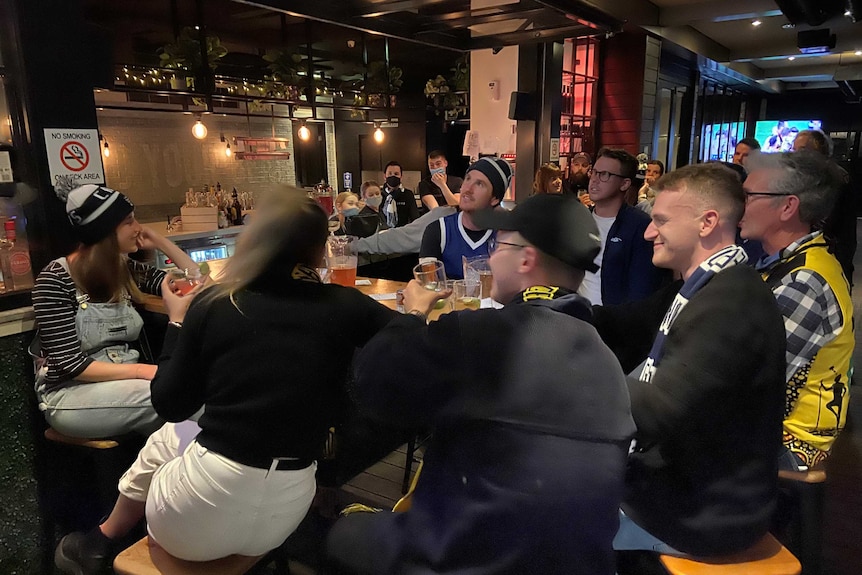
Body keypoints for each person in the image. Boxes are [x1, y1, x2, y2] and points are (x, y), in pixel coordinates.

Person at [53, 193, 397, 574]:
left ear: (251, 242)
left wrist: (177, 324)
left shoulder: (218, 304)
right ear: (319, 250)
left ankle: (103, 539)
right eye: (128, 221)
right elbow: (407, 332)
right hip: (287, 513)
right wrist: (415, 306)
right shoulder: (345, 303)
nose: (137, 228)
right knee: (185, 427)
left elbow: (168, 402)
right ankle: (109, 540)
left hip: (194, 518)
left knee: (175, 430)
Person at [326, 194, 636, 575]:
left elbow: (373, 384)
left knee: (343, 532)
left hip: (473, 558)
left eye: (498, 245)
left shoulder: (487, 334)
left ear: (526, 259)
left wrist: (412, 314)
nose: (489, 257)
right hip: (583, 562)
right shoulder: (605, 357)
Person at [592, 162, 786, 557]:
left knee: (543, 517)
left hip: (708, 515)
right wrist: (550, 308)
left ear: (707, 222)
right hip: (687, 491)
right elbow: (622, 323)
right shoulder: (702, 284)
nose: (648, 231)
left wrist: (568, 368)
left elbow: (660, 410)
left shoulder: (732, 303)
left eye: (660, 220)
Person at [31, 184, 199, 439]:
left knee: (197, 391)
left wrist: (159, 240)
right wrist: (145, 371)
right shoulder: (54, 279)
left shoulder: (124, 269)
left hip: (128, 386)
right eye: (129, 221)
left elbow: (195, 284)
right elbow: (70, 364)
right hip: (69, 396)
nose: (138, 228)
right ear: (106, 231)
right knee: (182, 396)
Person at [739, 150, 853, 471]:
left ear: (788, 206)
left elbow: (753, 380)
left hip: (792, 442)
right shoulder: (786, 261)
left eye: (748, 196)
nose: (738, 205)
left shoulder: (804, 280)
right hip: (775, 425)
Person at [579, 147, 670, 306]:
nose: (595, 179)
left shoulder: (640, 226)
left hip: (613, 323)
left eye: (605, 175)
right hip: (576, 319)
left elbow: (641, 291)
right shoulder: (580, 219)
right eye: (594, 172)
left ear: (624, 183)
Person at [419, 156, 512, 279]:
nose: (467, 189)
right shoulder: (437, 231)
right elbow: (429, 286)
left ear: (494, 199)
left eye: (479, 184)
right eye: (467, 179)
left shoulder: (508, 237)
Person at [792, 129, 857, 285]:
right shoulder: (811, 175)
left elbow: (824, 219)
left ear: (814, 152)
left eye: (798, 150)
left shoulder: (833, 178)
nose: (793, 155)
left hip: (831, 252)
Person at [381, 160, 419, 228]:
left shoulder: (408, 194)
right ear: (384, 176)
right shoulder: (379, 195)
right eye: (390, 173)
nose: (393, 176)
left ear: (401, 177)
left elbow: (415, 218)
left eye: (396, 174)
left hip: (403, 233)